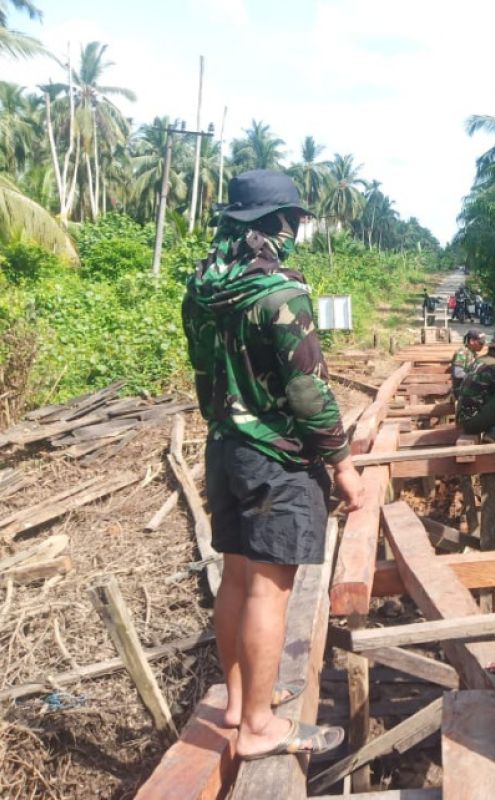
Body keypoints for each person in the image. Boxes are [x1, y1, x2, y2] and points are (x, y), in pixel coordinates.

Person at [182, 170, 360, 760]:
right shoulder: (279, 294)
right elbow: (308, 392)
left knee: (235, 576)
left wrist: (229, 423)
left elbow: (206, 380)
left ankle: (239, 700)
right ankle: (260, 726)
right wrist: (341, 461)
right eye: (293, 221)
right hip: (275, 459)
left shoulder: (204, 287)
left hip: (226, 448)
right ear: (277, 223)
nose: (295, 230)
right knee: (268, 591)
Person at [451, 329, 486, 400]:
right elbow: (458, 374)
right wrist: (478, 378)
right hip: (461, 391)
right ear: (472, 341)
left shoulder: (472, 353)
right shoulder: (462, 353)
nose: (483, 346)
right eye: (481, 343)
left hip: (468, 387)